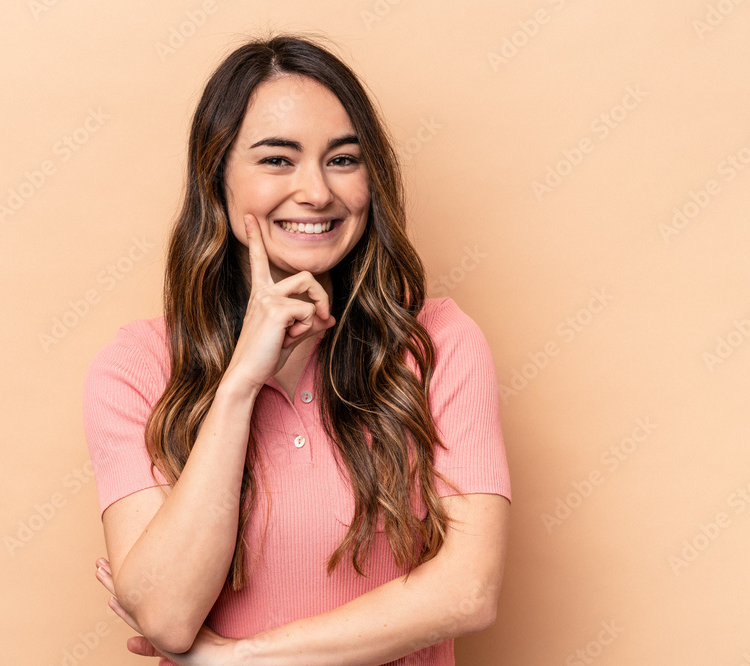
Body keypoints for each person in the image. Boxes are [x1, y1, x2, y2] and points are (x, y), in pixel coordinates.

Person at [82, 33, 511, 665]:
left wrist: (237, 658)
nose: (316, 192)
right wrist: (239, 386)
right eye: (277, 160)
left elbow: (468, 591)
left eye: (343, 159)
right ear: (217, 178)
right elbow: (169, 618)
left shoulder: (437, 343)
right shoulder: (136, 367)